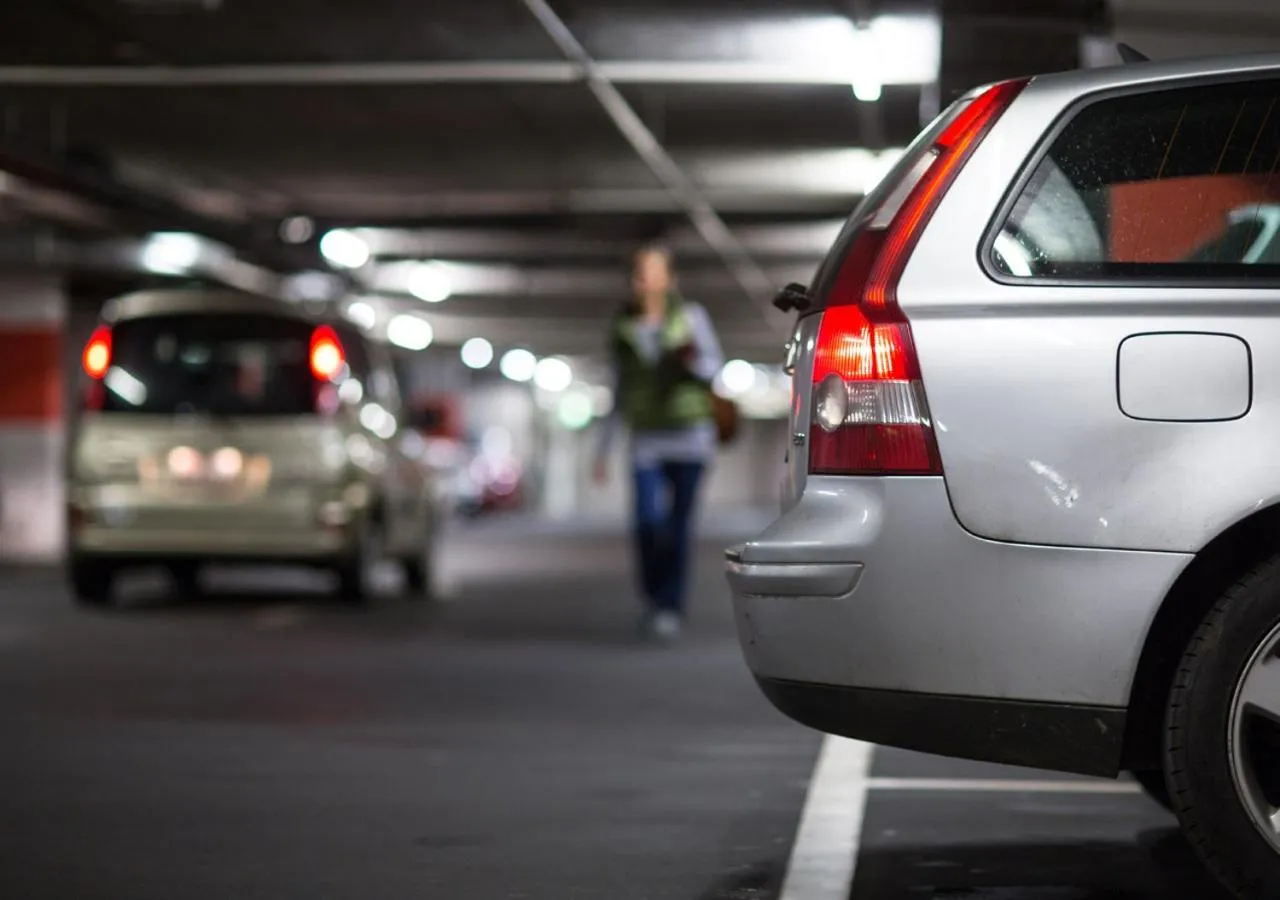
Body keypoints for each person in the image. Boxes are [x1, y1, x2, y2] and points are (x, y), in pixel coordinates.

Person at [593, 243, 725, 642]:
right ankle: (654, 597)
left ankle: (670, 606)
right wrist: (602, 449)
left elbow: (714, 368)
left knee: (679, 526)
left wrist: (689, 362)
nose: (646, 279)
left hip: (690, 436)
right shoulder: (622, 327)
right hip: (646, 437)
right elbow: (617, 388)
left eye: (654, 270)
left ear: (670, 278)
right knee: (648, 523)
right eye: (640, 271)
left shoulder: (690, 317)